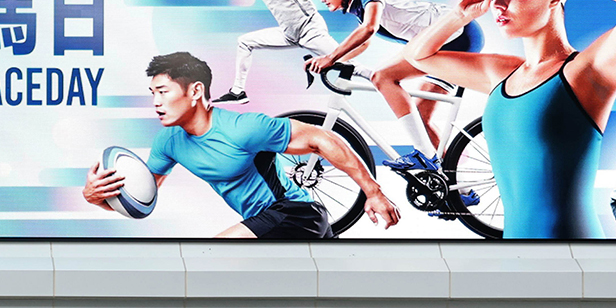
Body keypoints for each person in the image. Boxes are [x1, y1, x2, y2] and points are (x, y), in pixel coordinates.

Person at [404, 0, 616, 238]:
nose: (497, 2)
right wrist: (459, 16)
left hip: (576, 252)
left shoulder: (586, 72)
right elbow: (418, 57)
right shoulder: (501, 75)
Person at [82, 51, 395, 238]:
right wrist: (97, 198)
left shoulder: (243, 128)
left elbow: (321, 139)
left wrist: (373, 192)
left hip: (296, 214)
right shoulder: (168, 142)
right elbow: (142, 200)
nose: (156, 102)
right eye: (153, 93)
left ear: (195, 91)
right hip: (270, 225)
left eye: (163, 92)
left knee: (213, 256)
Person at [307, 0, 470, 171]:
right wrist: (332, 63)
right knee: (419, 118)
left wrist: (330, 58)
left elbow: (369, 29)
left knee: (382, 77)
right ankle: (453, 181)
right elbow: (363, 43)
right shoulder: (361, 9)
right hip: (447, 40)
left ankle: (425, 155)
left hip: (455, 36)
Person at [170, 0, 339, 104]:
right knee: (244, 42)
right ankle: (238, 92)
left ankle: (358, 81)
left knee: (346, 61)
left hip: (311, 31)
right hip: (288, 35)